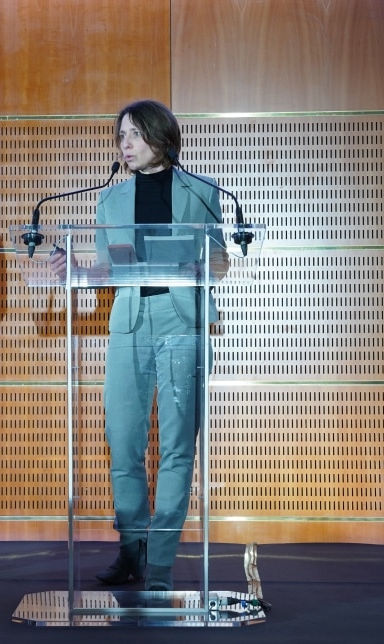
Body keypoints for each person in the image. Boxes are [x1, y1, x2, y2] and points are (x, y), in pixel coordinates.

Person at [50, 99, 229, 591]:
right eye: (121, 136)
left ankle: (162, 563)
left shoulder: (201, 191)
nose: (124, 145)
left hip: (182, 319)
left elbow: (220, 262)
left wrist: (202, 265)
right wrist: (76, 272)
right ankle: (132, 547)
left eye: (134, 134)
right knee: (123, 441)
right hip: (129, 322)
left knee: (177, 446)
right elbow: (109, 272)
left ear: (161, 137)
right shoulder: (110, 200)